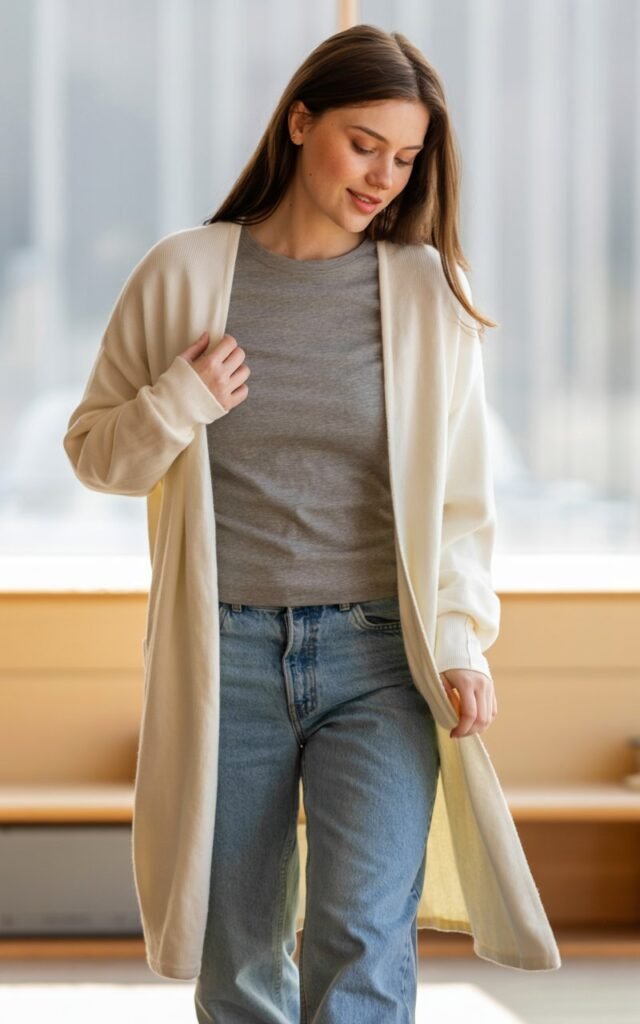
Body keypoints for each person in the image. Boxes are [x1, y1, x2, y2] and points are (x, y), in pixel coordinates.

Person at [63, 22, 561, 1024]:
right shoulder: (185, 273)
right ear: (300, 122)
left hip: (381, 658)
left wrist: (461, 642)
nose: (384, 175)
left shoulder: (424, 294)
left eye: (407, 157)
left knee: (364, 940)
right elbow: (96, 453)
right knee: (238, 951)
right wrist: (179, 400)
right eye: (363, 143)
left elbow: (463, 500)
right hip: (227, 658)